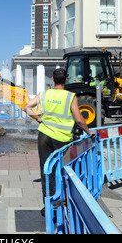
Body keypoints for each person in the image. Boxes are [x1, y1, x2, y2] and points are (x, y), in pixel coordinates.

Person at [23, 68, 96, 215]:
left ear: (53, 80)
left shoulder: (44, 94)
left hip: (44, 135)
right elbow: (79, 119)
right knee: (62, 170)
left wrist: (37, 118)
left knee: (46, 169)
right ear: (66, 80)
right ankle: (62, 202)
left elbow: (26, 107)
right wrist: (89, 131)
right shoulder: (70, 97)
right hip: (61, 139)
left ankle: (48, 205)